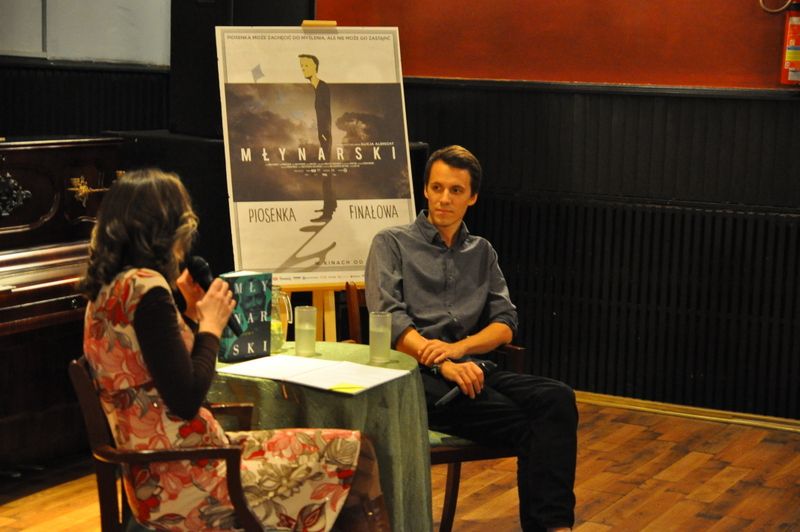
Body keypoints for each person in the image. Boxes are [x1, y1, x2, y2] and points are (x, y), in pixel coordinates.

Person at [81, 169, 387, 531]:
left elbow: (157, 374)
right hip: (191, 477)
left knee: (346, 451)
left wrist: (193, 318)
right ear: (165, 229)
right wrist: (210, 326)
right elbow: (186, 398)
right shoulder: (148, 291)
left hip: (162, 471)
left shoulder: (107, 292)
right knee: (355, 452)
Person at [365, 146, 577, 532]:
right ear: (425, 190)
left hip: (472, 366)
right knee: (532, 426)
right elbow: (388, 319)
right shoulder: (391, 243)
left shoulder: (482, 252)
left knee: (557, 397)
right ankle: (549, 526)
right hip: (414, 375)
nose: (444, 199)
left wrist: (460, 349)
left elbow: (506, 323)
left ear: (472, 197)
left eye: (456, 190)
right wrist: (443, 362)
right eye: (437, 188)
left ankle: (553, 526)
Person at [299, 53, 337, 222]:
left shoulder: (322, 87)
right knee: (326, 169)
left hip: (325, 134)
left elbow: (326, 113)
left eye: (306, 65)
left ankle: (328, 212)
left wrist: (325, 133)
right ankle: (332, 204)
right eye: (301, 66)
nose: (303, 69)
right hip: (323, 133)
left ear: (315, 67)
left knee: (325, 171)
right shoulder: (317, 88)